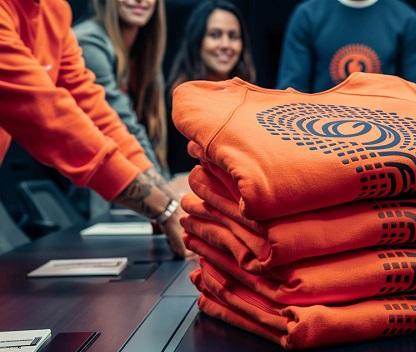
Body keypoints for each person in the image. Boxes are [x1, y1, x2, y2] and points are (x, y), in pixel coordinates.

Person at [0, 0, 188, 257]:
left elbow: (95, 111)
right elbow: (49, 117)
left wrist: (169, 199)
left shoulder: (53, 10)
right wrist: (162, 208)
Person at [74, 0, 168, 175]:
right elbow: (123, 124)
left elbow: (154, 136)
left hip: (134, 175)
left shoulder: (146, 52)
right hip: (86, 184)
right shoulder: (88, 42)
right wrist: (166, 193)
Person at [166, 0, 256, 174]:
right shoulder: (174, 100)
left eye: (233, 36)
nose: (225, 44)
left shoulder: (252, 101)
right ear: (197, 40)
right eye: (215, 35)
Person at [276, 0, 416, 93]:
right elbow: (291, 92)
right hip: (320, 135)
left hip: (389, 137)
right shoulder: (308, 15)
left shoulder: (405, 19)